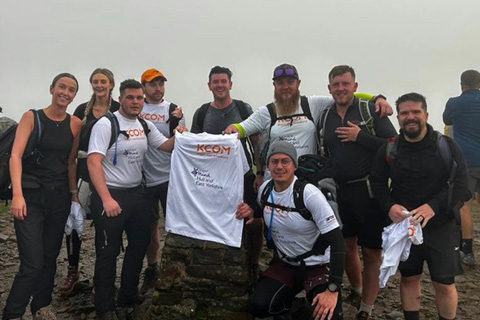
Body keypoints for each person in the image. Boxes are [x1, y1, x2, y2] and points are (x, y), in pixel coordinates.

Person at [87, 79, 187, 320]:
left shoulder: (143, 124)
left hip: (137, 193)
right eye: (130, 98)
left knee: (140, 244)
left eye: (139, 98)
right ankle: (105, 308)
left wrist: (180, 134)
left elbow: (165, 146)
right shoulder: (105, 124)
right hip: (110, 194)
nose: (135, 102)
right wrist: (106, 199)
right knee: (108, 252)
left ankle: (128, 293)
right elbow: (93, 161)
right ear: (120, 99)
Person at [370, 92, 469, 320]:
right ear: (398, 118)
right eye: (404, 113)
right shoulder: (390, 149)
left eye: (416, 112)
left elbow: (461, 185)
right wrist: (389, 206)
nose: (410, 117)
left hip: (441, 225)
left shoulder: (447, 147)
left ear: (426, 114)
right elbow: (377, 182)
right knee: (410, 278)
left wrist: (433, 207)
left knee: (444, 283)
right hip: (405, 227)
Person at [224, 63, 392, 190]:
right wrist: (233, 130)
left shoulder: (312, 104)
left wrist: (377, 98)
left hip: (308, 182)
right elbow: (243, 127)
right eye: (280, 83)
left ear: (298, 83)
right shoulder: (266, 112)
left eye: (290, 82)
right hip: (276, 182)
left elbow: (342, 95)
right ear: (274, 85)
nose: (286, 87)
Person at [2, 73, 82, 320]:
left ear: (74, 95)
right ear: (51, 89)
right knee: (32, 263)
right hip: (30, 197)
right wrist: (17, 195)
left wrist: (74, 197)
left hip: (59, 199)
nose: (65, 93)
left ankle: (41, 306)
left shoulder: (75, 124)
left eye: (71, 90)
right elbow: (15, 156)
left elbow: (71, 163)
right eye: (61, 87)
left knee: (49, 258)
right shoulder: (32, 117)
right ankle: (13, 314)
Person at [321, 65, 397, 320]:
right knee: (346, 245)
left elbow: (394, 148)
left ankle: (366, 308)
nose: (341, 88)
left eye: (346, 84)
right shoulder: (325, 116)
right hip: (339, 193)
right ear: (329, 88)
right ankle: (357, 289)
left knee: (372, 252)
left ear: (355, 86)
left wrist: (360, 136)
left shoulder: (370, 111)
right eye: (336, 84)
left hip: (369, 191)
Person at [248, 141, 345, 320]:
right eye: (274, 161)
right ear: (268, 165)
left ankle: (316, 303)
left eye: (285, 161)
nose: (279, 166)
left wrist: (333, 289)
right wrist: (250, 210)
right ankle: (298, 308)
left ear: (294, 166)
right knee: (259, 306)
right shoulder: (265, 190)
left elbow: (338, 242)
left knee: (331, 317)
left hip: (317, 265)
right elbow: (261, 208)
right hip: (285, 264)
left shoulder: (309, 194)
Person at [191, 66, 264, 282]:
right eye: (216, 82)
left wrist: (260, 172)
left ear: (230, 84)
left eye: (224, 81)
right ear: (209, 85)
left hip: (244, 176)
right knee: (218, 219)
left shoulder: (243, 108)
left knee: (255, 220)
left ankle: (254, 263)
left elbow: (256, 142)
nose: (220, 85)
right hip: (213, 179)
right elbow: (195, 146)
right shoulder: (202, 112)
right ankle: (219, 262)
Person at [59, 67, 120, 296]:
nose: (99, 85)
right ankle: (73, 270)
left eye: (103, 81)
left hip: (110, 174)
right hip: (84, 172)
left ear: (111, 84)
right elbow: (73, 147)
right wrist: (72, 186)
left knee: (107, 227)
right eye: (95, 81)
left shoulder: (117, 109)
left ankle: (101, 277)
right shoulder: (80, 110)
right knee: (73, 224)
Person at [138, 68, 185, 294]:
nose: (157, 89)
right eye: (152, 84)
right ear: (143, 87)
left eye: (160, 84)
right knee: (149, 227)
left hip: (169, 176)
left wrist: (182, 129)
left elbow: (182, 142)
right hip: (143, 178)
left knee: (174, 225)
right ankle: (153, 267)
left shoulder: (173, 109)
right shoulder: (136, 107)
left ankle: (176, 267)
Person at [443, 69, 480, 266]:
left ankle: (467, 251)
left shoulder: (454, 103)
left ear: (461, 84)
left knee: (465, 205)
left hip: (467, 160)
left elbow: (447, 120)